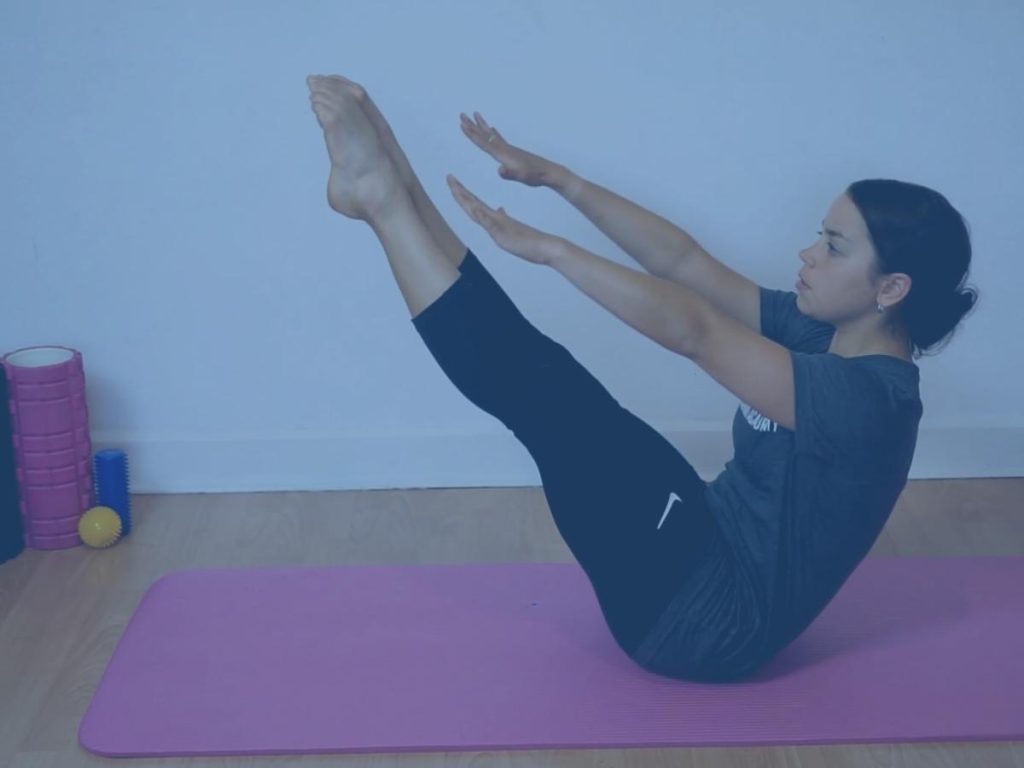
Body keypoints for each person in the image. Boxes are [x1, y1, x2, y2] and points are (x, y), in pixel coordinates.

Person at [305, 74, 979, 682]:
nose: (808, 253)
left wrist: (552, 252)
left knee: (548, 396)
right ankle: (389, 183)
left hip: (704, 623)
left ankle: (381, 198)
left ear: (890, 287)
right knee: (553, 390)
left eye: (833, 247)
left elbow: (696, 331)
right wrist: (558, 180)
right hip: (701, 541)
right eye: (819, 234)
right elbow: (682, 262)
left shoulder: (872, 402)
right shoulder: (823, 333)